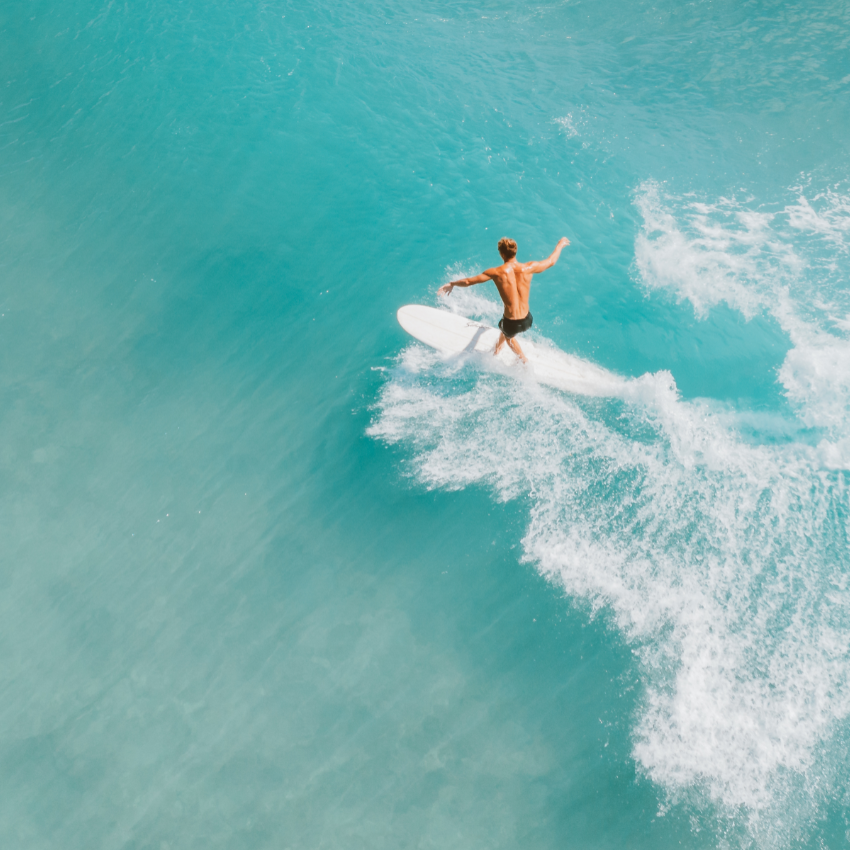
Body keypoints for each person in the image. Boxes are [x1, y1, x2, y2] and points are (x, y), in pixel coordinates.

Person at [437, 237, 570, 363]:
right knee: (504, 329)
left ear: (501, 254)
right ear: (515, 252)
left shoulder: (496, 272)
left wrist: (452, 283)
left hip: (511, 324)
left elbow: (467, 281)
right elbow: (551, 261)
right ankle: (496, 351)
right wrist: (560, 244)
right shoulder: (529, 268)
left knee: (509, 336)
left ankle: (523, 361)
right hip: (528, 320)